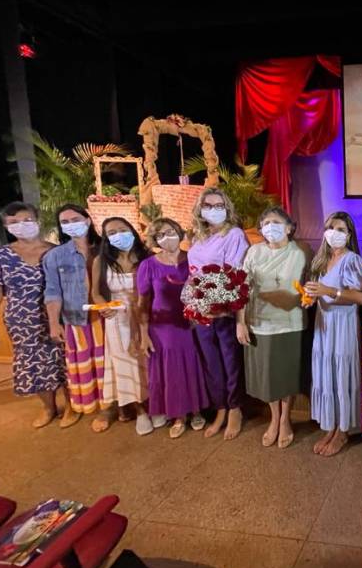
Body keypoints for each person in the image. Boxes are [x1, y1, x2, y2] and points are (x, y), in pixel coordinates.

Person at [0, 202, 67, 428]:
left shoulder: (55, 251)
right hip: (21, 321)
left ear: (37, 220)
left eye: (27, 220)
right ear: (5, 226)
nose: (21, 225)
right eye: (13, 222)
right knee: (33, 363)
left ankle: (71, 405)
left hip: (57, 315)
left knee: (63, 360)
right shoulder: (0, 255)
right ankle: (49, 407)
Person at [236, 207, 309, 449]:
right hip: (259, 321)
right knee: (267, 375)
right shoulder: (254, 252)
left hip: (290, 322)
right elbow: (242, 289)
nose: (270, 227)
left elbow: (306, 286)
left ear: (289, 227)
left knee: (285, 374)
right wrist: (240, 322)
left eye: (276, 222)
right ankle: (274, 418)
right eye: (265, 223)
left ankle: (286, 419)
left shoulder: (300, 252)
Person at [137, 218, 209, 439]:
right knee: (172, 370)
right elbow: (142, 303)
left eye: (170, 232)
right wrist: (143, 335)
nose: (166, 238)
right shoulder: (148, 265)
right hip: (163, 327)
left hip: (192, 322)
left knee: (193, 365)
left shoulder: (194, 258)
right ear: (154, 240)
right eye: (160, 235)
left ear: (179, 233)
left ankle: (197, 409)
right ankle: (178, 415)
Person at [187, 188, 249, 440]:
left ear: (227, 208)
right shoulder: (198, 237)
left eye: (219, 205)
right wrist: (193, 301)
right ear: (200, 209)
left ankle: (235, 408)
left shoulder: (234, 235)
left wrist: (213, 302)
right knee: (211, 362)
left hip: (223, 309)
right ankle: (220, 408)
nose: (213, 210)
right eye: (208, 205)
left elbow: (234, 273)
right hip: (200, 308)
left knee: (230, 361)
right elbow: (193, 272)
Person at [304, 212, 362, 457]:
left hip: (343, 324)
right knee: (327, 373)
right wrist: (311, 297)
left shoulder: (352, 260)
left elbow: (361, 297)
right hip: (324, 323)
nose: (334, 233)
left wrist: (329, 291)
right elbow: (320, 292)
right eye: (330, 228)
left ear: (349, 235)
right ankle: (330, 426)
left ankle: (343, 430)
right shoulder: (322, 260)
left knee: (341, 374)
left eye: (340, 229)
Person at [43, 204, 105, 427]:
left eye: (75, 219)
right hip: (76, 319)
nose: (71, 225)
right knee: (86, 364)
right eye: (65, 222)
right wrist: (54, 323)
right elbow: (52, 291)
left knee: (108, 364)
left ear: (87, 220)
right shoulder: (55, 256)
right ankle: (93, 407)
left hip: (106, 317)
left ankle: (111, 408)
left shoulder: (105, 249)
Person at [90, 217, 151, 435]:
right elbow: (96, 292)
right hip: (117, 319)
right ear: (106, 238)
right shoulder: (101, 261)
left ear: (132, 231)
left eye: (122, 230)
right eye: (112, 233)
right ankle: (140, 410)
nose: (118, 235)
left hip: (145, 314)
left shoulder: (147, 257)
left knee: (148, 360)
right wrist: (103, 306)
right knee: (126, 362)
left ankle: (156, 403)